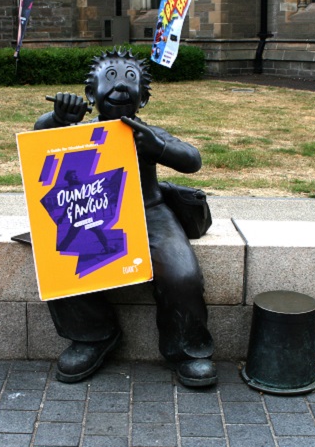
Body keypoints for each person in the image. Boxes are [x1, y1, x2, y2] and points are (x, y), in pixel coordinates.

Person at [34, 48, 216, 387]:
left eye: (130, 79)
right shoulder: (76, 134)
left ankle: (188, 349)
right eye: (111, 78)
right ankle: (93, 335)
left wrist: (158, 148)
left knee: (182, 275)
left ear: (143, 99)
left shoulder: (148, 133)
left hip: (150, 212)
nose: (120, 86)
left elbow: (192, 159)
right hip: (93, 212)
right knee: (61, 259)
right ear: (91, 93)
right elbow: (38, 139)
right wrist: (57, 118)